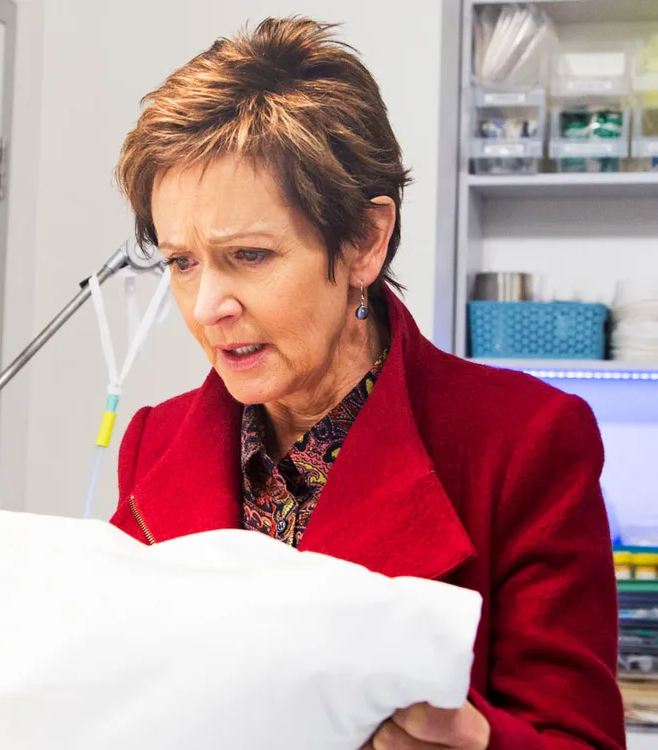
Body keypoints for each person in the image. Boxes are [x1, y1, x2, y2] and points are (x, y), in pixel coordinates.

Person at [109, 16, 625, 750]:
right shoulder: (154, 445)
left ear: (364, 241)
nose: (205, 307)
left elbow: (580, 741)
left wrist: (480, 742)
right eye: (182, 262)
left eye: (249, 256)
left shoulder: (526, 443)